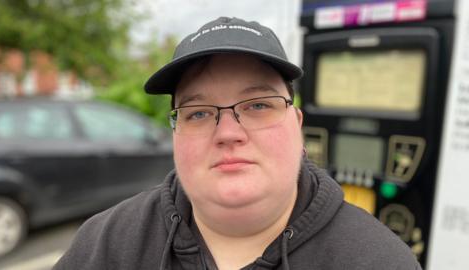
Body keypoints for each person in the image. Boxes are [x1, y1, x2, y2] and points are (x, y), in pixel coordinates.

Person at [54, 17, 421, 270]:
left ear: (297, 125)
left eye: (258, 105)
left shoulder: (377, 260)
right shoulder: (106, 246)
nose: (228, 132)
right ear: (175, 132)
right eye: (197, 113)